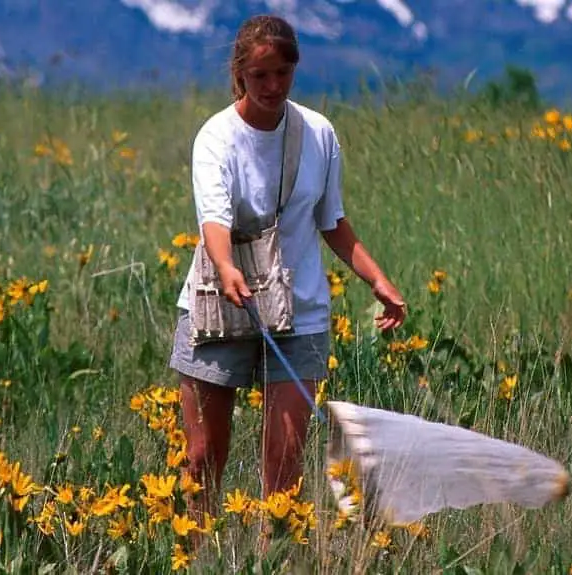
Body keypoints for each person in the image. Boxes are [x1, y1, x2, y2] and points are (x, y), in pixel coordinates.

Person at [167, 15, 406, 521]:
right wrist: (227, 266)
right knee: (202, 458)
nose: (273, 86)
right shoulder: (215, 138)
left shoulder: (317, 133)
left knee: (285, 469)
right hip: (219, 300)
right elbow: (213, 220)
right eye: (260, 76)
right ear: (240, 74)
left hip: (300, 312)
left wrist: (379, 281)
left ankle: (272, 557)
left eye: (283, 73)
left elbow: (333, 221)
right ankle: (192, 554)